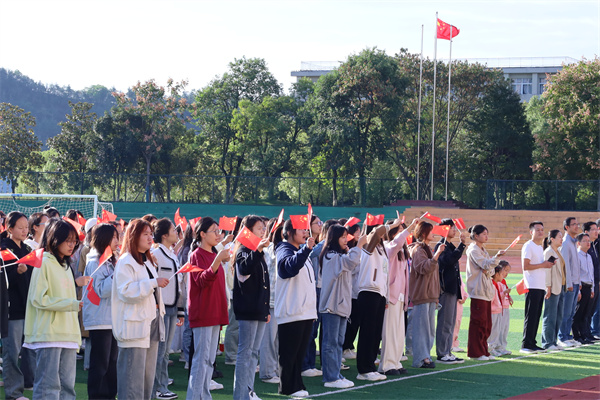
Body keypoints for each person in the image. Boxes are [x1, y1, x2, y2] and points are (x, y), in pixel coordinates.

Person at [24, 218, 90, 400]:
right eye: (67, 240)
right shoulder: (43, 262)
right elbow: (38, 299)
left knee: (67, 387)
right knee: (48, 386)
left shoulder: (66, 265)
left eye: (74, 241)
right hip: (49, 335)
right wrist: (71, 304)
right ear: (55, 239)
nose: (72, 245)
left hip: (68, 335)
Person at [112, 219, 168, 400]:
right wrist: (153, 282)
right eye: (145, 234)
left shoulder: (147, 260)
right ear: (134, 236)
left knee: (146, 378)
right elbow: (126, 291)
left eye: (151, 234)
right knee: (132, 379)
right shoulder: (126, 261)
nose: (150, 238)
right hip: (134, 326)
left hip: (151, 320)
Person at [186, 217, 230, 400]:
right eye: (214, 231)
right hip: (203, 313)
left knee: (210, 360)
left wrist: (218, 259)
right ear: (202, 234)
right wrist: (218, 261)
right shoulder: (196, 255)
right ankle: (194, 396)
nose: (218, 234)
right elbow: (201, 280)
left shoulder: (213, 254)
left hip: (215, 312)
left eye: (219, 231)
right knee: (201, 359)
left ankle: (204, 395)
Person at [274, 219, 317, 398]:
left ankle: (297, 385)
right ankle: (288, 387)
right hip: (292, 310)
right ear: (289, 232)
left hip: (304, 311)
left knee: (299, 354)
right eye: (301, 229)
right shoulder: (284, 249)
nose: (305, 233)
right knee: (289, 353)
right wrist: (305, 250)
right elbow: (287, 269)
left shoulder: (301, 251)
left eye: (306, 229)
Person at [319, 224, 365, 388]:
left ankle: (336, 374)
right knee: (330, 343)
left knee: (338, 342)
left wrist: (354, 249)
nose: (346, 240)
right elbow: (350, 262)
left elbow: (352, 263)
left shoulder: (339, 255)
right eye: (343, 237)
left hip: (341, 306)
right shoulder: (330, 256)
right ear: (334, 238)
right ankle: (330, 378)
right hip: (331, 306)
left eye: (346, 237)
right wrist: (359, 246)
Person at [232, 215, 271, 400]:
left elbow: (264, 284)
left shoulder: (257, 252)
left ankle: (249, 391)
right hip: (248, 310)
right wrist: (259, 250)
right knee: (245, 353)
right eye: (259, 228)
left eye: (264, 228)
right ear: (248, 231)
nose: (263, 231)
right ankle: (241, 395)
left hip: (259, 310)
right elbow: (245, 269)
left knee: (253, 353)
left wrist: (266, 310)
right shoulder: (243, 251)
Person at [82, 223, 119, 400]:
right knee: (100, 363)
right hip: (99, 319)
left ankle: (110, 395)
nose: (117, 240)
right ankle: (97, 396)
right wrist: (117, 274)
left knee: (111, 362)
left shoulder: (112, 259)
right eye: (114, 237)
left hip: (111, 319)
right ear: (104, 238)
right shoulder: (95, 261)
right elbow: (102, 290)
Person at [2, 212, 36, 399]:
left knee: (28, 350)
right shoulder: (4, 250)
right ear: (10, 228)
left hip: (28, 307)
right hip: (11, 310)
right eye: (20, 227)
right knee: (12, 353)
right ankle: (13, 393)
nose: (25, 231)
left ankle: (28, 384)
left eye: (26, 227)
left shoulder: (27, 248)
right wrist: (17, 272)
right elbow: (3, 280)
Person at [151, 218, 184, 400]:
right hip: (160, 308)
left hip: (171, 307)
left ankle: (162, 385)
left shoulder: (172, 254)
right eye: (173, 230)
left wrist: (180, 310)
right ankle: (158, 387)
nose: (176, 232)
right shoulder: (155, 253)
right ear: (164, 235)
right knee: (160, 350)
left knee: (165, 351)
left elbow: (178, 284)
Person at [378, 218, 415, 375]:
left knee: (399, 332)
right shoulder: (388, 246)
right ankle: (386, 365)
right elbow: (397, 243)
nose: (403, 235)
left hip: (401, 296)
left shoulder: (402, 251)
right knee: (390, 332)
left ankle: (396, 361)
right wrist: (410, 228)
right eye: (400, 231)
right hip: (391, 296)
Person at [408, 221, 445, 369]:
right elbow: (423, 268)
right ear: (424, 233)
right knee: (421, 329)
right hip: (422, 294)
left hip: (430, 295)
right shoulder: (418, 249)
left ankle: (426, 356)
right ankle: (420, 359)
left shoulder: (426, 249)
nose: (433, 233)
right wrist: (437, 255)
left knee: (429, 329)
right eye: (430, 231)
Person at [465, 224, 505, 361]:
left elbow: (490, 270)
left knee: (486, 324)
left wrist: (489, 266)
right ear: (476, 236)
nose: (486, 236)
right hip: (478, 289)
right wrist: (496, 258)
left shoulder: (483, 250)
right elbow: (486, 265)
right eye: (484, 234)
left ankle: (483, 351)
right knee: (478, 322)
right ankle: (475, 353)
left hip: (486, 290)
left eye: (487, 234)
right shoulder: (473, 250)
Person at [355, 221, 389, 380]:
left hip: (380, 293)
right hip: (368, 291)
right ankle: (363, 369)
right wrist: (392, 225)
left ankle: (370, 366)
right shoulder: (368, 246)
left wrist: (385, 294)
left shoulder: (382, 249)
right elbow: (376, 233)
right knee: (367, 332)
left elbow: (385, 273)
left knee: (375, 333)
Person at [303, 218, 336, 377]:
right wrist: (326, 241)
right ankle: (305, 365)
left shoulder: (322, 245)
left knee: (319, 331)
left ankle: (312, 363)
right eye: (317, 223)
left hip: (324, 290)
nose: (320, 225)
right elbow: (309, 256)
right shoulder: (310, 245)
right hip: (313, 289)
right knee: (310, 329)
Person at [434, 218, 466, 365]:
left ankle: (447, 351)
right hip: (445, 288)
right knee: (444, 322)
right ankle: (442, 353)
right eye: (452, 227)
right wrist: (462, 245)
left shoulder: (449, 246)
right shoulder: (441, 246)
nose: (454, 230)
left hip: (453, 288)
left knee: (451, 322)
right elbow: (449, 261)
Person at [520, 221, 554, 354]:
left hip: (539, 286)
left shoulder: (539, 247)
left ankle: (532, 342)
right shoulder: (528, 246)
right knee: (531, 315)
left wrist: (546, 264)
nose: (540, 232)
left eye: (542, 230)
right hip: (532, 285)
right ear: (531, 232)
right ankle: (526, 344)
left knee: (536, 315)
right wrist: (543, 265)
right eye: (537, 230)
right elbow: (526, 266)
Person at [259, 219, 281, 385]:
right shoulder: (269, 249)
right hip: (270, 300)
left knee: (278, 340)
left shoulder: (280, 248)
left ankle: (275, 369)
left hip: (281, 301)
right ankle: (267, 372)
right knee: (269, 339)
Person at [542, 229, 566, 350]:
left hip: (560, 286)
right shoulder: (549, 252)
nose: (562, 239)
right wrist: (548, 286)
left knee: (558, 315)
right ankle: (547, 342)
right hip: (553, 287)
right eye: (559, 237)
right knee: (550, 315)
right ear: (552, 239)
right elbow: (547, 270)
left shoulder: (558, 251)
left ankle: (554, 341)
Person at [341, 222, 362, 360]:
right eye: (357, 231)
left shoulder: (358, 249)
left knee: (356, 321)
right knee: (351, 322)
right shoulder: (350, 250)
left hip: (358, 290)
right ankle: (345, 347)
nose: (359, 234)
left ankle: (349, 346)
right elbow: (350, 268)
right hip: (351, 291)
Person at [558, 217, 580, 347]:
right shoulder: (566, 243)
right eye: (574, 224)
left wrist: (578, 283)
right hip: (569, 284)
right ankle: (562, 337)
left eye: (577, 224)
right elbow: (565, 265)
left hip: (576, 282)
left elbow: (575, 265)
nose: (577, 226)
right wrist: (569, 283)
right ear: (567, 227)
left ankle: (567, 336)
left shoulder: (573, 242)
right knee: (565, 312)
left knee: (571, 312)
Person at [572, 233, 595, 344]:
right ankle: (576, 336)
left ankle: (584, 334)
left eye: (588, 240)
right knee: (579, 312)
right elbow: (577, 274)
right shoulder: (577, 255)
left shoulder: (589, 256)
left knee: (586, 313)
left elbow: (591, 274)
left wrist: (592, 289)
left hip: (589, 287)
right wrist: (578, 290)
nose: (588, 243)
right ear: (578, 243)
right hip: (582, 287)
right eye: (585, 241)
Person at [488, 262, 511, 356]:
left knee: (502, 329)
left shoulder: (500, 282)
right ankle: (492, 348)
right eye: (504, 271)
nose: (506, 273)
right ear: (497, 274)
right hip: (494, 311)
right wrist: (504, 294)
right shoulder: (493, 284)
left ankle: (499, 347)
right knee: (494, 330)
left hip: (500, 309)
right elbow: (493, 298)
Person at [583, 222, 599, 342]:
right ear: (586, 232)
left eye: (596, 229)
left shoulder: (593, 245)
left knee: (591, 309)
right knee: (585, 310)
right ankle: (582, 333)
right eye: (593, 229)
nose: (596, 231)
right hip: (586, 283)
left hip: (595, 282)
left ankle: (588, 333)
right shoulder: (586, 248)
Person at [451, 279, 469, 353]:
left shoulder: (459, 276)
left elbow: (462, 287)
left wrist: (464, 296)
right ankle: (451, 344)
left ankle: (454, 343)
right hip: (454, 301)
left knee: (458, 322)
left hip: (459, 303)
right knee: (453, 322)